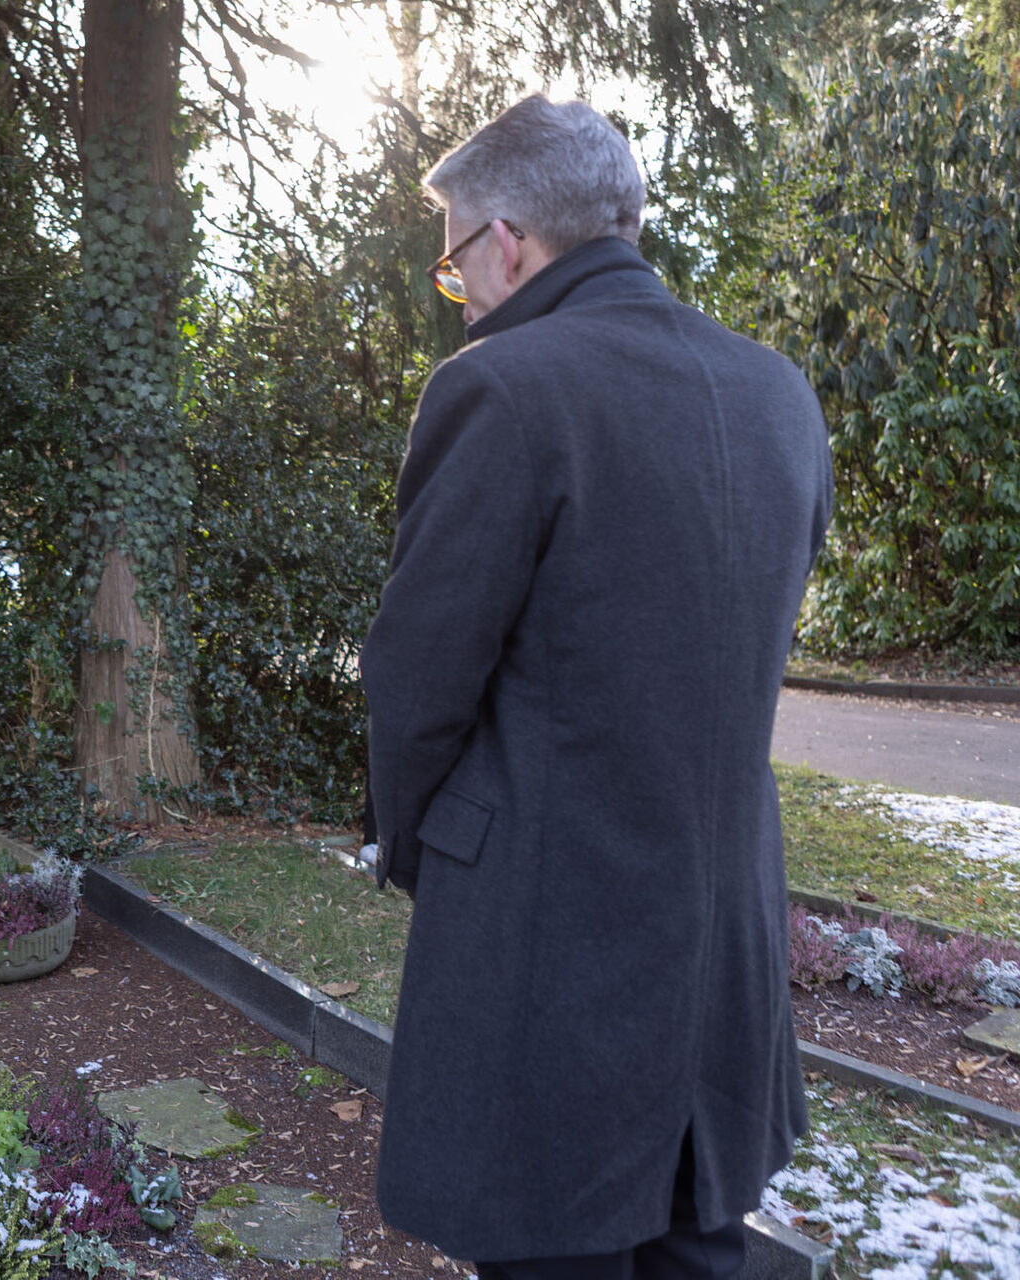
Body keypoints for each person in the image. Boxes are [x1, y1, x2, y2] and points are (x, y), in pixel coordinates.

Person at [359, 96, 833, 1280]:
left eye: (455, 261)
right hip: (721, 932)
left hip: (545, 942)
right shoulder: (781, 395)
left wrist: (422, 852)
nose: (458, 292)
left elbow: (416, 684)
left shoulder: (502, 386)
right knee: (696, 1239)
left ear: (508, 242)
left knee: (552, 1248)